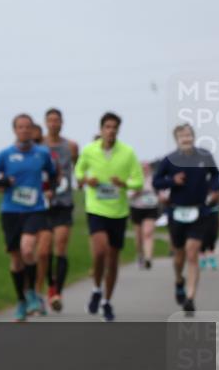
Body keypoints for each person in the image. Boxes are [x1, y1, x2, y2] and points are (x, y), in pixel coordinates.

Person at [0, 114, 57, 321]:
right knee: (16, 259)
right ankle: (21, 300)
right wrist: (5, 182)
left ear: (33, 130)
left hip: (35, 209)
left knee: (27, 248)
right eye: (20, 127)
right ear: (15, 130)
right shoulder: (5, 154)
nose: (24, 130)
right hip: (10, 211)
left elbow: (53, 174)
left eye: (28, 127)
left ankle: (33, 293)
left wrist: (50, 189)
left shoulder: (42, 153)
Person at [73, 112, 143, 322]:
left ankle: (106, 301)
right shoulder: (89, 150)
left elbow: (138, 181)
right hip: (96, 208)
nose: (111, 130)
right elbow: (78, 172)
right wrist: (87, 180)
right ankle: (96, 289)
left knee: (113, 261)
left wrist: (124, 184)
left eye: (114, 127)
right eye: (107, 127)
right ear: (101, 129)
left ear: (118, 130)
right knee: (100, 251)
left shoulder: (128, 153)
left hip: (118, 211)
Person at [152, 124, 219, 315]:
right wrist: (171, 182)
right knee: (179, 255)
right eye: (183, 136)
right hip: (176, 212)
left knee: (192, 253)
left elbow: (215, 175)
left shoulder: (204, 156)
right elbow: (156, 181)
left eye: (189, 135)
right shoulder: (169, 160)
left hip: (199, 211)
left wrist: (215, 189)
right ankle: (179, 280)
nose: (187, 139)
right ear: (176, 139)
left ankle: (190, 298)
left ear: (194, 137)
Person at [36, 108, 79, 312]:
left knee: (60, 246)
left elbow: (74, 167)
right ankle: (48, 285)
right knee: (43, 252)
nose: (54, 124)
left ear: (62, 123)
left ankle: (56, 292)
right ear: (45, 123)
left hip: (63, 202)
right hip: (43, 204)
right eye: (50, 120)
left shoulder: (71, 146)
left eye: (57, 120)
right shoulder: (38, 145)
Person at [129, 161, 160, 270]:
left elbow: (161, 192)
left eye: (146, 167)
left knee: (148, 233)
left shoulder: (154, 179)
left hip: (151, 208)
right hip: (137, 208)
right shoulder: (133, 179)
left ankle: (148, 258)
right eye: (142, 167)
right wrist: (137, 191)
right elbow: (128, 195)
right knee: (138, 236)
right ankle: (140, 255)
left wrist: (160, 196)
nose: (145, 169)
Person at [200, 202, 219, 270]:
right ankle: (203, 260)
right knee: (203, 241)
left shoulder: (216, 204)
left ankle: (212, 259)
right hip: (202, 219)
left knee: (212, 240)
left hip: (213, 218)